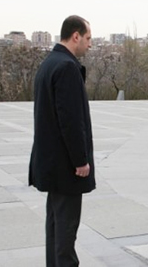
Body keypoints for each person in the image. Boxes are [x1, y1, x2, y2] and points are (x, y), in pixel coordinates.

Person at [29, 15, 95, 267]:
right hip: (66, 167)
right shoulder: (66, 67)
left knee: (55, 228)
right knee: (66, 234)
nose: (89, 44)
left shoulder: (50, 63)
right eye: (88, 38)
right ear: (75, 36)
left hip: (52, 163)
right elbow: (70, 120)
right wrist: (80, 160)